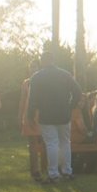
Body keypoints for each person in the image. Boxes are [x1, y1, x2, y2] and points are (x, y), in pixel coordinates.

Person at [26, 47, 82, 183]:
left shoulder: (37, 77)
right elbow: (78, 91)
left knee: (51, 143)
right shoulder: (65, 74)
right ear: (53, 60)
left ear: (42, 61)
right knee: (65, 143)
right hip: (64, 113)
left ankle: (53, 174)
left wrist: (30, 115)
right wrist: (70, 106)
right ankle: (67, 171)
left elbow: (32, 99)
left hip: (46, 114)